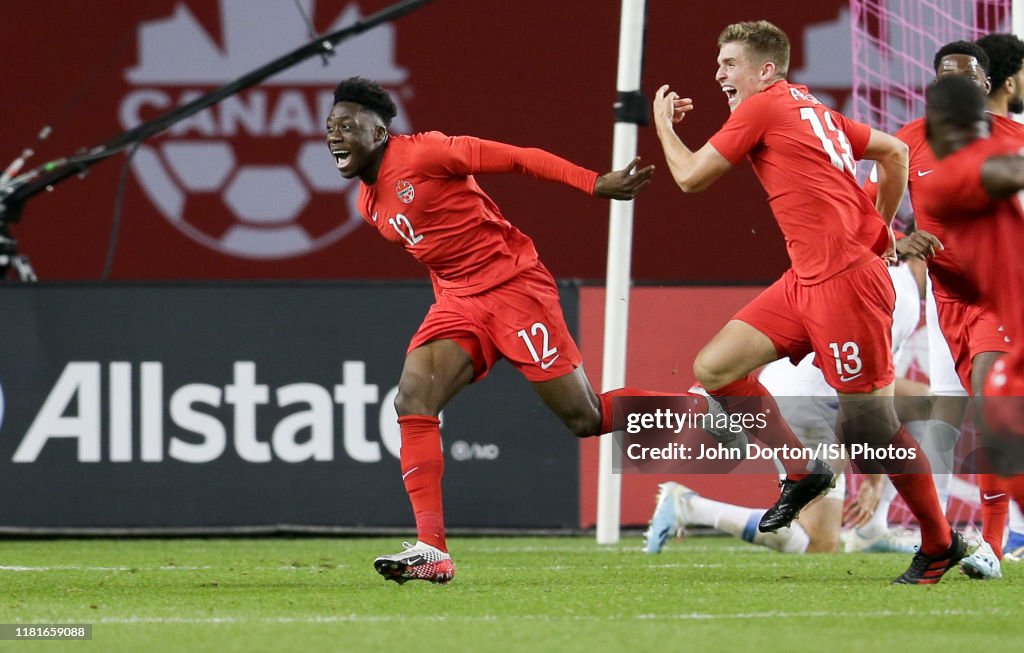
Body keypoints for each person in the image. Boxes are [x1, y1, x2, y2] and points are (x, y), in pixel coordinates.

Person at [326, 76, 676, 585]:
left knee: (585, 416)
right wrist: (450, 304)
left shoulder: (426, 153)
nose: (335, 136)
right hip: (460, 302)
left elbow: (518, 156)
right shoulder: (369, 204)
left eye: (347, 126)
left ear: (379, 133)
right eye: (330, 127)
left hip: (514, 288)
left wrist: (593, 182)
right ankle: (432, 550)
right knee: (412, 401)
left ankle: (706, 411)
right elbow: (439, 249)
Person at [651, 20, 964, 584]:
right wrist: (881, 227)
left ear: (766, 69)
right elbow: (893, 151)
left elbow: (691, 178)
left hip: (844, 282)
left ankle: (940, 543)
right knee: (715, 368)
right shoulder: (810, 106)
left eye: (729, 63)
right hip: (807, 278)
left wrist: (662, 127)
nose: (719, 72)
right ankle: (801, 471)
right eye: (718, 62)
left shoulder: (764, 105)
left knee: (873, 427)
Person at [644, 260, 924, 556]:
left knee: (820, 541)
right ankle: (690, 508)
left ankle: (873, 528)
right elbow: (867, 393)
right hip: (811, 403)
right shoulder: (899, 294)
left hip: (793, 390)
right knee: (815, 538)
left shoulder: (887, 282)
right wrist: (871, 479)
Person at [869, 40, 1019, 579]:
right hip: (943, 303)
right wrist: (893, 239)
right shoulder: (905, 144)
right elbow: (862, 213)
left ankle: (994, 547)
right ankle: (936, 542)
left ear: (986, 86)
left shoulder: (1015, 143)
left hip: (1000, 299)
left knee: (993, 411)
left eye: (970, 76)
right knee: (947, 423)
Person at [919, 74, 1024, 528]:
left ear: (935, 127)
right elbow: (1005, 173)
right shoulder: (968, 170)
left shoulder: (945, 177)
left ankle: (994, 543)